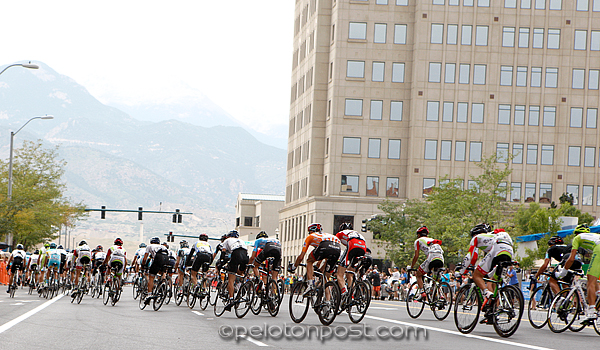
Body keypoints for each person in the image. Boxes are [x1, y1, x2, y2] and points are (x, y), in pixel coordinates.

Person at [459, 224, 514, 323]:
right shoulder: (495, 236)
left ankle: (486, 293)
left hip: (497, 249)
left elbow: (472, 256)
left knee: (477, 275)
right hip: (509, 251)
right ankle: (493, 312)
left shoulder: (477, 238)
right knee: (493, 281)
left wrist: (463, 271)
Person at [561, 224, 600, 323]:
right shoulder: (593, 237)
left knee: (590, 280)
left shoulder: (577, 238)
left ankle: (591, 311)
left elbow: (571, 258)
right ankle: (598, 295)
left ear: (577, 233)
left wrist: (563, 271)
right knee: (595, 280)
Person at [289, 223, 342, 296]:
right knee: (326, 277)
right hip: (337, 247)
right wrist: (319, 268)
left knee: (309, 261)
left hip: (325, 246)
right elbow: (324, 256)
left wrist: (294, 267)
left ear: (311, 231)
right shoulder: (326, 235)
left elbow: (301, 257)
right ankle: (327, 302)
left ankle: (310, 285)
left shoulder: (311, 236)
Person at [410, 226, 444, 301]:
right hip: (441, 257)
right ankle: (440, 295)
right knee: (436, 279)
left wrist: (411, 266)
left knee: (418, 274)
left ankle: (422, 292)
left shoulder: (418, 241)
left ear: (418, 235)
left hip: (431, 256)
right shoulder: (432, 240)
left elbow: (416, 256)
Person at [335, 222, 368, 295]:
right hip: (362, 247)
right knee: (350, 273)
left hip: (352, 244)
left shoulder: (340, 233)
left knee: (340, 274)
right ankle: (351, 295)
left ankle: (344, 291)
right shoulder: (357, 233)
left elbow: (335, 247)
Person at [221, 230, 249, 311]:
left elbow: (223, 252)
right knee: (240, 273)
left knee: (231, 278)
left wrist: (222, 262)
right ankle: (240, 285)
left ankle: (231, 299)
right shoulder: (241, 241)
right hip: (245, 255)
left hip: (236, 254)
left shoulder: (227, 240)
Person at [141, 236, 169, 304]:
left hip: (157, 260)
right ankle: (161, 284)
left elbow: (145, 258)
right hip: (166, 260)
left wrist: (143, 266)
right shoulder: (163, 247)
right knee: (161, 273)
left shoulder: (149, 246)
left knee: (151, 277)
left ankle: (149, 294)